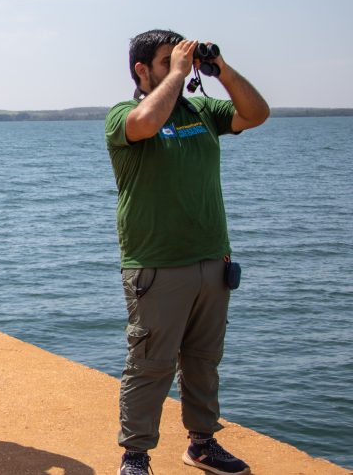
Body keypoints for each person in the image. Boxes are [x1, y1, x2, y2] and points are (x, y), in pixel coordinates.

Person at [105, 30, 270, 475]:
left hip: (211, 259)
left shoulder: (201, 110)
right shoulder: (123, 115)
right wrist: (178, 74)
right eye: (166, 60)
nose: (179, 66)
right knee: (150, 364)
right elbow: (145, 124)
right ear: (142, 70)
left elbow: (256, 114)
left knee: (203, 360)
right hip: (156, 262)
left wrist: (220, 69)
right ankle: (135, 456)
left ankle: (202, 443)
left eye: (182, 59)